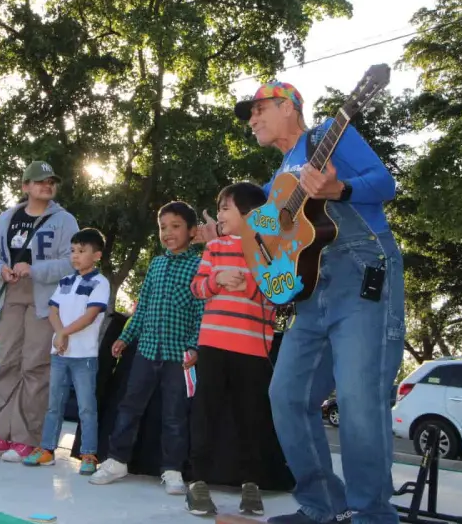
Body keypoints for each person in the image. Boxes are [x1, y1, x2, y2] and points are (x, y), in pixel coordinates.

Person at [208, 81, 403, 524]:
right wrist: (231, 239)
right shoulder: (275, 183)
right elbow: (262, 244)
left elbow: (383, 183)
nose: (252, 120)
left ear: (288, 107)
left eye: (258, 110)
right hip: (309, 293)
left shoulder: (328, 137)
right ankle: (321, 507)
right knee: (286, 396)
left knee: (358, 398)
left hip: (361, 274)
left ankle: (371, 515)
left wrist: (339, 189)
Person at [185, 182, 294, 517]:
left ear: (250, 214)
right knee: (206, 414)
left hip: (254, 350)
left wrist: (249, 282)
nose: (219, 214)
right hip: (214, 345)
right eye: (220, 208)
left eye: (226, 208)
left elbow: (282, 294)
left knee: (252, 419)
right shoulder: (215, 247)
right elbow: (197, 288)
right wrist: (217, 279)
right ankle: (197, 482)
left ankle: (252, 485)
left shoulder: (274, 248)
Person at [87, 201, 205, 495]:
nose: (168, 232)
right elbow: (142, 309)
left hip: (179, 356)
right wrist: (125, 337)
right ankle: (116, 460)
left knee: (175, 413)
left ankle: (173, 469)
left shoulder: (201, 265)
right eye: (163, 227)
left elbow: (203, 311)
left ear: (192, 231)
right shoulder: (156, 264)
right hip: (147, 350)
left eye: (175, 226)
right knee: (129, 407)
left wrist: (194, 346)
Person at [0, 160, 79, 462]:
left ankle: (27, 437)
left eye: (51, 182)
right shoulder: (7, 218)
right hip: (9, 296)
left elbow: (71, 261)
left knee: (35, 367)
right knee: (7, 364)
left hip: (45, 300)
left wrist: (35, 269)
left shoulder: (64, 220)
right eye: (39, 181)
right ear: (25, 186)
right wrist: (0, 269)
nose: (47, 186)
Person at [22, 227, 110, 475]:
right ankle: (47, 449)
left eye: (82, 251)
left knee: (86, 407)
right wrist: (59, 333)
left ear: (97, 255)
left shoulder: (99, 283)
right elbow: (53, 310)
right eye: (73, 251)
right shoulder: (65, 281)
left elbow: (91, 315)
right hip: (60, 354)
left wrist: (64, 333)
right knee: (54, 405)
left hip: (84, 357)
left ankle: (89, 453)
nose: (75, 256)